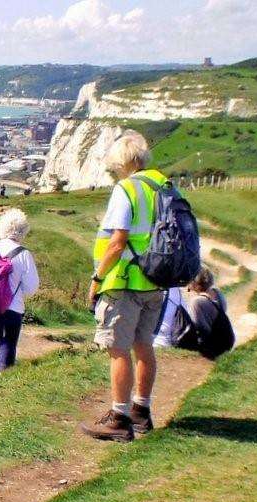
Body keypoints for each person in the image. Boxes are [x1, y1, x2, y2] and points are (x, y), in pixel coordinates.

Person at [80, 131, 167, 442]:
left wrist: (98, 277)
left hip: (125, 279)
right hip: (156, 280)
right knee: (144, 345)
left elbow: (117, 243)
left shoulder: (126, 189)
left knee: (118, 349)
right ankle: (141, 411)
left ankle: (119, 417)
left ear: (123, 161)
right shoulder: (164, 185)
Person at [0, 208, 41, 373]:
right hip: (12, 309)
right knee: (7, 346)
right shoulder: (24, 254)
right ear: (23, 230)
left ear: (1, 227)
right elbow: (32, 287)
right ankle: (3, 383)